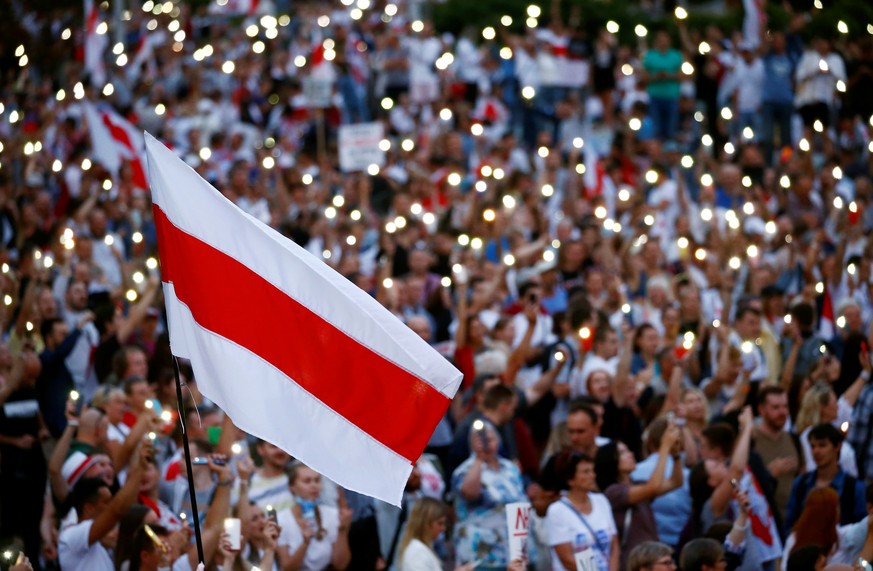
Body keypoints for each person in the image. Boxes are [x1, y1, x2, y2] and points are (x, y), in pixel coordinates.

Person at [596, 422, 683, 568]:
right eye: (623, 453)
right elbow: (653, 487)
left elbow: (676, 482)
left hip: (650, 558)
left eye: (628, 450)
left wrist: (675, 455)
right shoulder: (613, 492)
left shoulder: (637, 483)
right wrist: (664, 447)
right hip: (633, 562)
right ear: (611, 461)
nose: (630, 454)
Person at [451, 421, 527, 570]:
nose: (488, 445)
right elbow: (469, 493)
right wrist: (479, 458)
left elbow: (521, 503)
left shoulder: (510, 468)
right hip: (479, 554)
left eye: (491, 439)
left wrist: (524, 548)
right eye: (482, 441)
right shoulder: (464, 470)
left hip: (511, 549)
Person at [784, 423, 867, 533]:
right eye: (813, 446)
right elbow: (790, 523)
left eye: (822, 445)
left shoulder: (854, 488)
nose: (816, 451)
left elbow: (860, 529)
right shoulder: (801, 483)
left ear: (837, 446)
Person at [545, 452, 619, 571]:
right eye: (586, 472)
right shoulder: (557, 511)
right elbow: (567, 558)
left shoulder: (601, 500)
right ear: (570, 479)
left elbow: (614, 546)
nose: (593, 475)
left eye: (592, 470)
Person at [276, 462, 352, 571]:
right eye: (307, 481)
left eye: (317, 480)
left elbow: (341, 565)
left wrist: (342, 530)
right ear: (292, 486)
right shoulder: (281, 520)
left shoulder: (332, 514)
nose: (314, 485)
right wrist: (305, 544)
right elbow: (287, 567)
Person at [781, 487, 871, 570]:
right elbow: (864, 567)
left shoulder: (793, 539)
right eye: (837, 507)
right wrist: (869, 543)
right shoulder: (844, 537)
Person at [752, 385, 802, 520]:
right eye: (775, 407)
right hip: (764, 520)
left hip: (792, 518)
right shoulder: (751, 441)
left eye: (785, 406)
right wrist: (769, 474)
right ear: (761, 410)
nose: (782, 412)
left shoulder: (794, 439)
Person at [396, 497, 474, 571]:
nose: (443, 528)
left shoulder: (421, 548)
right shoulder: (417, 552)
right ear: (425, 523)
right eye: (440, 523)